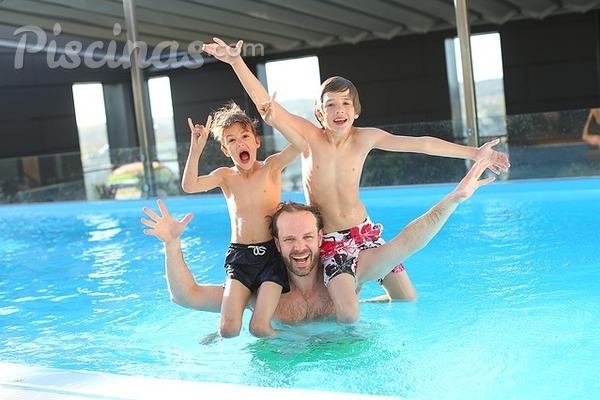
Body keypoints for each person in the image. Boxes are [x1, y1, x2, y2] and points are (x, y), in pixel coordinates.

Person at [202, 38, 511, 323]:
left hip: (364, 230)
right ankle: (349, 301)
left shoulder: (366, 138)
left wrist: (473, 152)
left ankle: (365, 297)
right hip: (332, 240)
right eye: (330, 105)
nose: (339, 110)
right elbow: (265, 104)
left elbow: (421, 143)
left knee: (406, 298)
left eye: (346, 103)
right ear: (320, 114)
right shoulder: (309, 137)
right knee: (348, 315)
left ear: (356, 111)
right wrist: (236, 62)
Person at [142, 157, 496, 330]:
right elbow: (185, 297)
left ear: (321, 238)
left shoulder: (347, 274)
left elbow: (406, 243)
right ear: (277, 244)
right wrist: (171, 246)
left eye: (308, 237)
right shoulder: (259, 292)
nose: (300, 247)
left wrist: (454, 199)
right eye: (290, 238)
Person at [179, 101, 305, 338]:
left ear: (257, 141)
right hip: (240, 257)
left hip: (271, 257)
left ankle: (297, 343)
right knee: (227, 330)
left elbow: (301, 143)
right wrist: (196, 149)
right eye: (231, 140)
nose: (240, 143)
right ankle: (232, 315)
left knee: (258, 328)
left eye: (245, 136)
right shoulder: (226, 176)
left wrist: (275, 120)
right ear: (226, 151)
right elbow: (189, 186)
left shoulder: (271, 167)